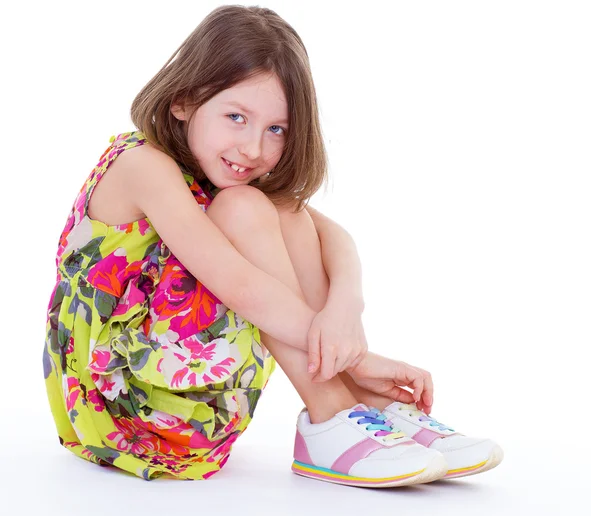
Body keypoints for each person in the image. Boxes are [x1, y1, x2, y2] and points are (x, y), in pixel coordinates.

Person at [42, 4, 503, 486]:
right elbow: (236, 283)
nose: (254, 148)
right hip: (124, 403)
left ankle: (368, 408)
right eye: (236, 116)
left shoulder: (219, 177)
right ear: (183, 100)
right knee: (245, 207)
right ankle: (332, 411)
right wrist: (361, 359)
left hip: (199, 397)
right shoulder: (142, 165)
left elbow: (336, 239)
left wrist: (345, 310)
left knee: (280, 208)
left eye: (275, 129)